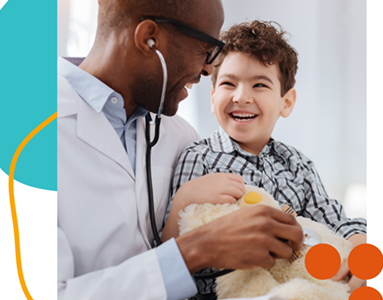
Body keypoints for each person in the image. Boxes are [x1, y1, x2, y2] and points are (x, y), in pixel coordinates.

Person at [58, 1, 304, 299]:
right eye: (206, 49)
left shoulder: (180, 136)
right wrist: (196, 250)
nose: (208, 68)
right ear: (149, 38)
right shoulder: (20, 136)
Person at [163, 20, 367, 299]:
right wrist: (182, 201)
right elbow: (170, 255)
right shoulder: (199, 158)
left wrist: (359, 245)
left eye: (259, 84)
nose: (241, 96)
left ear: (286, 102)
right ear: (212, 99)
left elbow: (337, 221)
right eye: (228, 83)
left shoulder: (298, 164)